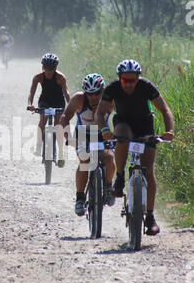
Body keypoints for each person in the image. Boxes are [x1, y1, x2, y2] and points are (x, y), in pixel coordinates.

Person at [95, 59, 174, 235]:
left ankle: (150, 216)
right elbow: (100, 113)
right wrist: (106, 129)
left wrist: (169, 131)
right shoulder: (112, 88)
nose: (129, 84)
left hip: (145, 124)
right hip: (123, 121)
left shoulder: (147, 87)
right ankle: (120, 176)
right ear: (119, 78)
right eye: (125, 80)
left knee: (149, 170)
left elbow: (165, 110)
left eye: (132, 81)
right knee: (122, 137)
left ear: (138, 78)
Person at [61, 73, 116, 216]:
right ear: (85, 93)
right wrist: (68, 136)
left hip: (103, 134)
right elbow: (65, 117)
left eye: (97, 93)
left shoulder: (110, 99)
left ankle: (109, 187)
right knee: (84, 161)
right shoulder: (78, 99)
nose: (94, 97)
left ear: (103, 91)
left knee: (109, 158)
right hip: (83, 135)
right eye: (90, 94)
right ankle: (79, 198)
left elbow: (122, 116)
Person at [27, 53, 70, 167]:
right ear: (42, 67)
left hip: (58, 102)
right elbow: (32, 92)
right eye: (46, 68)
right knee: (42, 121)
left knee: (58, 125)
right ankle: (38, 145)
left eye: (51, 69)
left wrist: (71, 104)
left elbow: (66, 93)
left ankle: (60, 154)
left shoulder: (61, 78)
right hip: (45, 101)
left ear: (56, 68)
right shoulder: (38, 77)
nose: (48, 71)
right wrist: (30, 104)